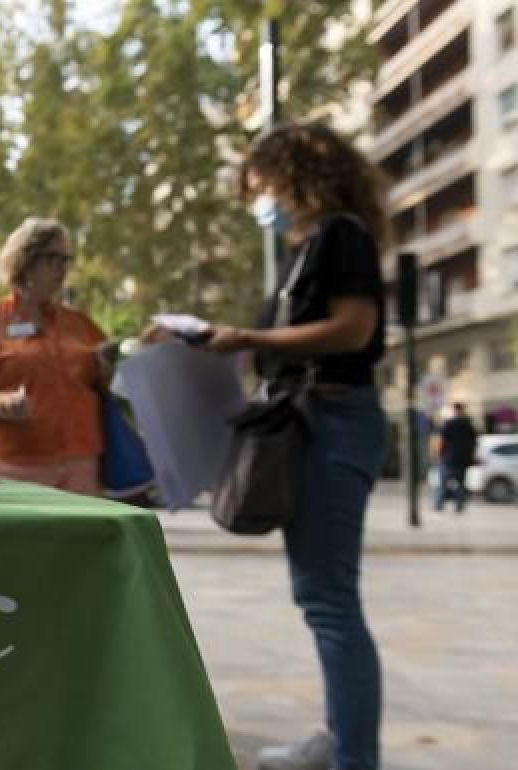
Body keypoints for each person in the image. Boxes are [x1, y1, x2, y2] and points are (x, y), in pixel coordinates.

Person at [145, 122, 389, 770]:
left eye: (261, 186)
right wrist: (209, 339)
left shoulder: (342, 234)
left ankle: (354, 757)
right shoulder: (303, 251)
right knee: (319, 595)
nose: (261, 202)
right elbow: (287, 338)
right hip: (310, 420)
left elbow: (353, 329)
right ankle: (338, 737)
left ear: (295, 175)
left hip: (334, 418)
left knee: (330, 599)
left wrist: (249, 339)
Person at [0, 216, 111, 496]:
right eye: (53, 258)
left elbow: (107, 383)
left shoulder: (80, 324)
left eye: (66, 260)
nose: (62, 268)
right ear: (25, 260)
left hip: (81, 466)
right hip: (12, 468)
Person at [434, 402, 478, 514]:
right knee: (460, 483)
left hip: (448, 458)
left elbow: (442, 440)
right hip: (463, 459)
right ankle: (459, 505)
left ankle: (439, 504)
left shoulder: (449, 423)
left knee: (444, 482)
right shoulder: (468, 424)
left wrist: (438, 454)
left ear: (454, 410)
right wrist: (471, 455)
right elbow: (474, 442)